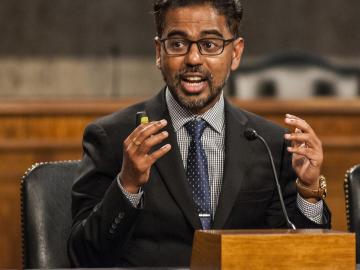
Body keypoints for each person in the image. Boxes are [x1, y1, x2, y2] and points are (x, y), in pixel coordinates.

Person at [68, 0, 331, 267]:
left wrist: (309, 190)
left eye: (209, 45)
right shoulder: (111, 137)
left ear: (236, 53)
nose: (193, 59)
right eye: (178, 44)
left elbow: (301, 256)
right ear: (159, 52)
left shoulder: (269, 143)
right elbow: (83, 256)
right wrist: (128, 185)